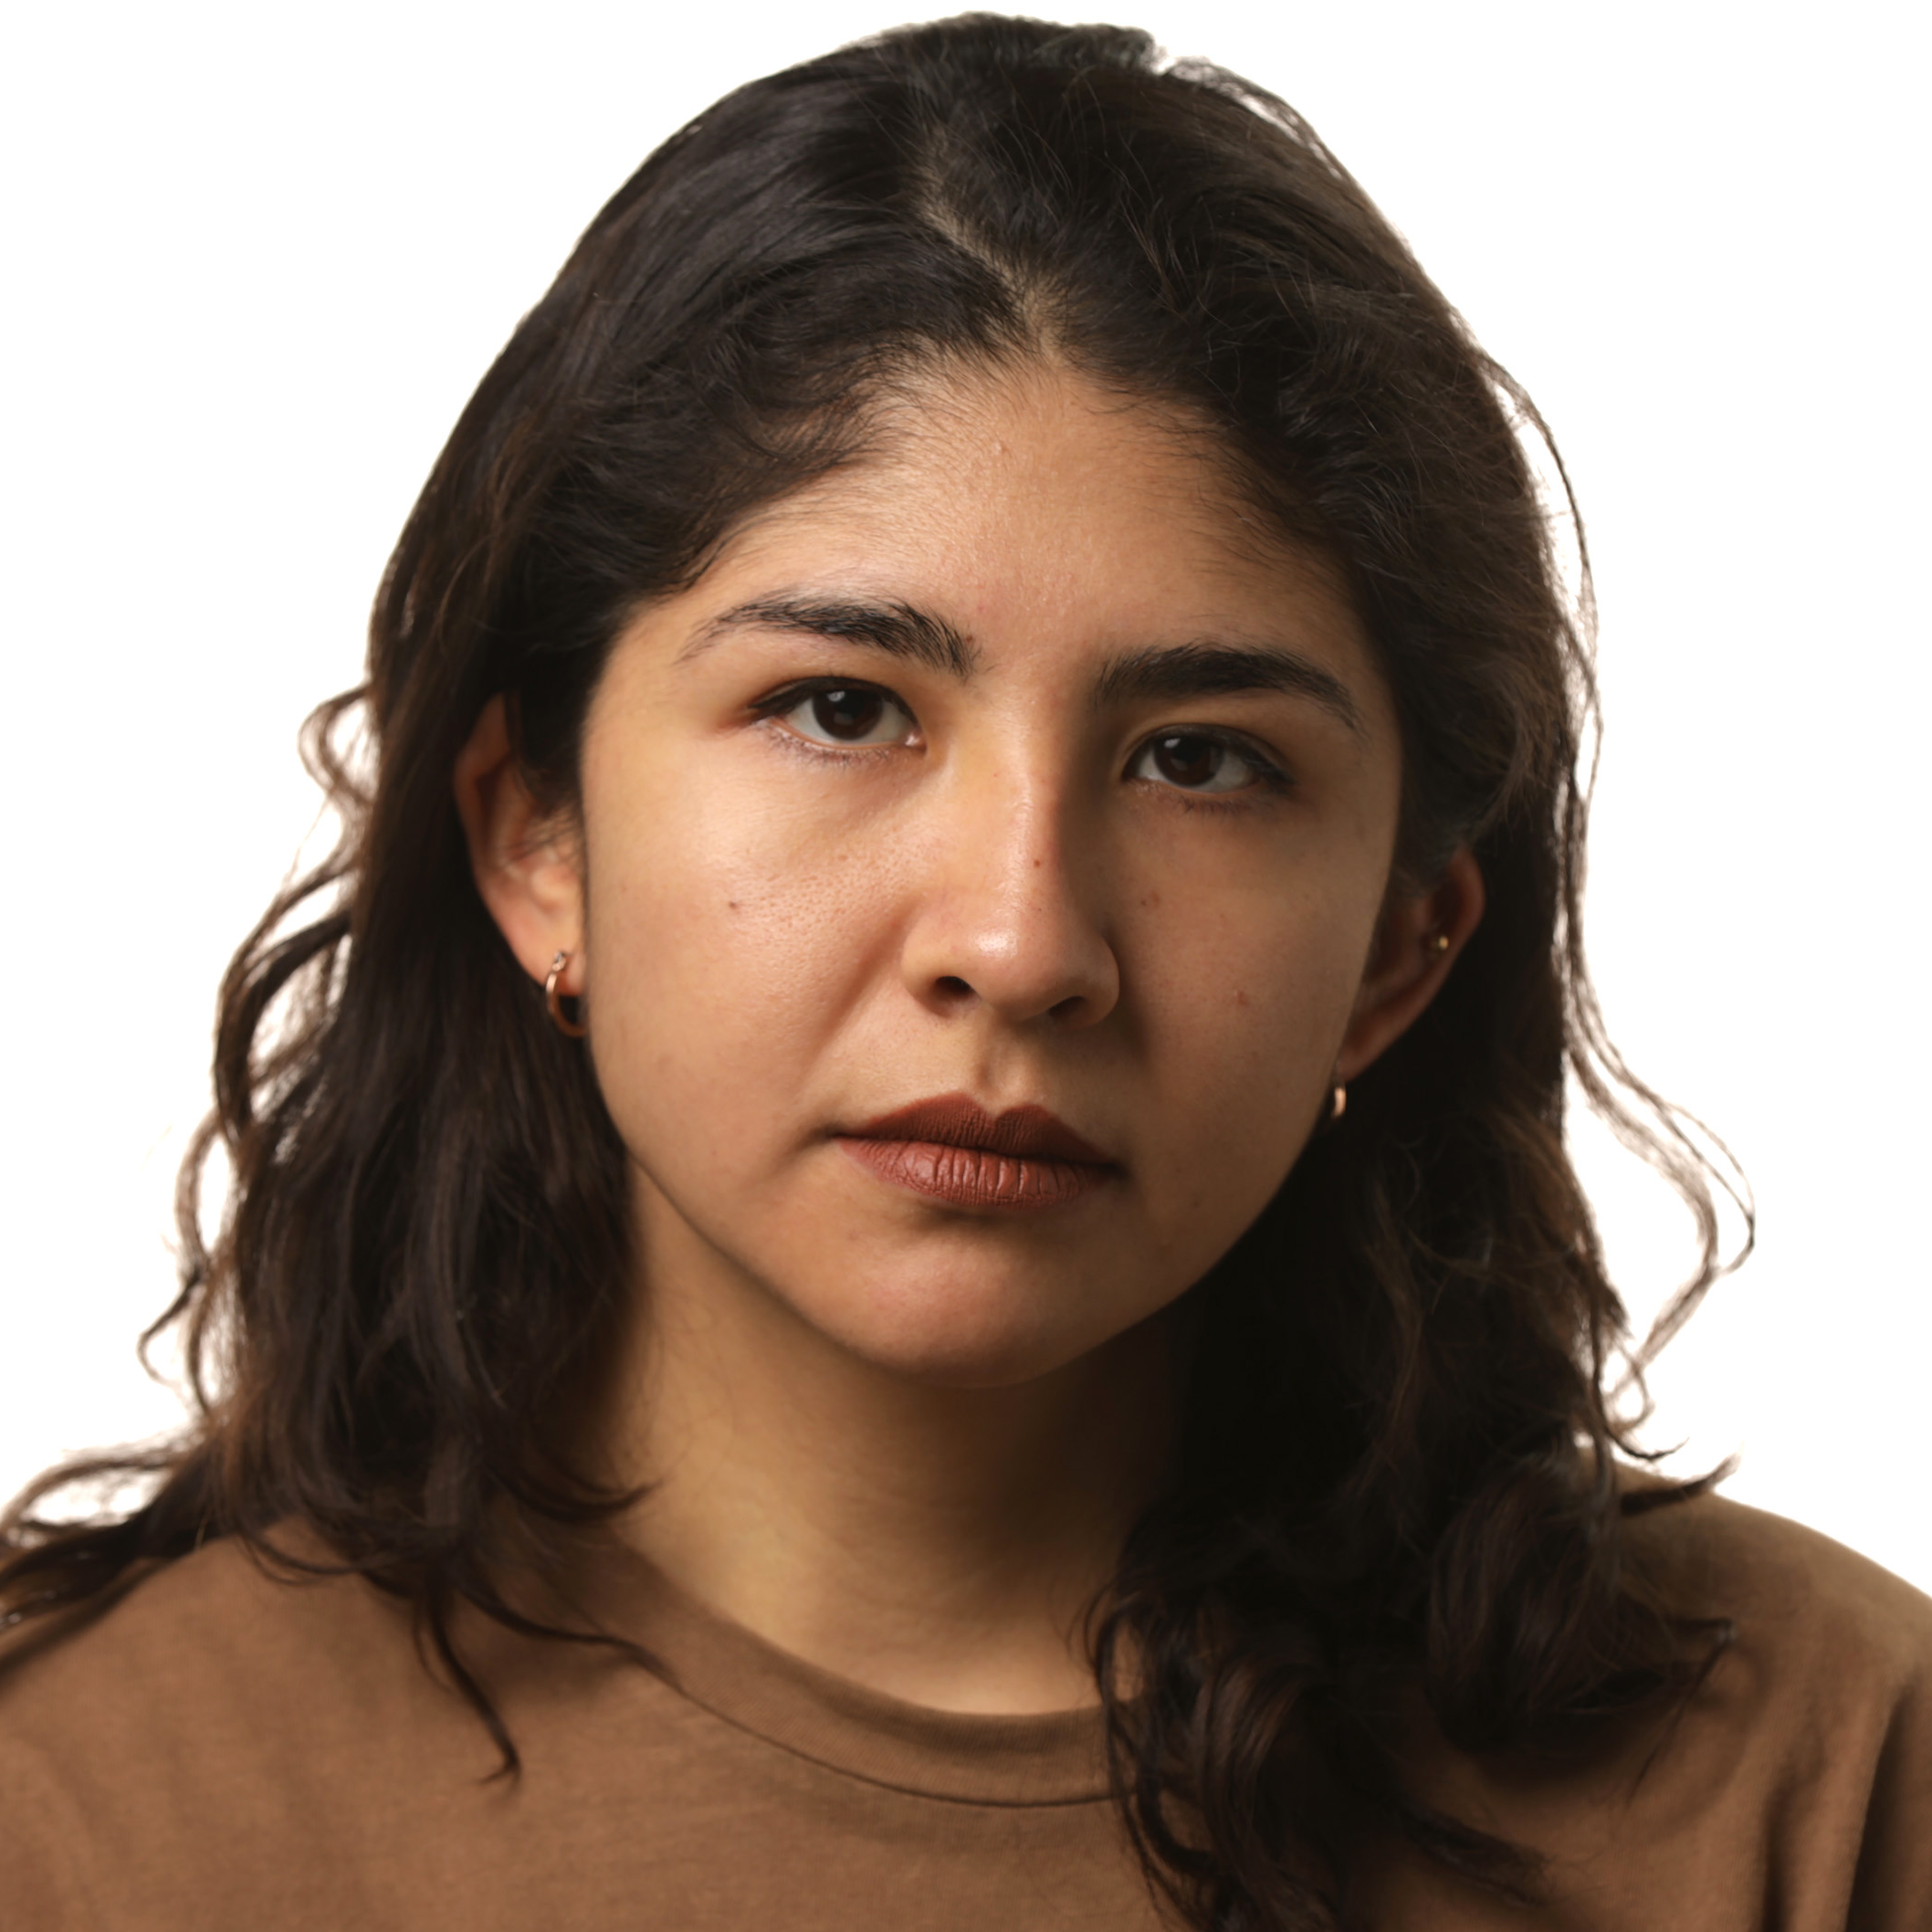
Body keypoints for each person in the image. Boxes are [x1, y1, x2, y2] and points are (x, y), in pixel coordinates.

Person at [2, 15, 1926, 1929]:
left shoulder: (1825, 1778)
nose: (1017, 945)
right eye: (840, 708)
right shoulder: (72, 1802)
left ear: (1395, 950)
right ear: (536, 834)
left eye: (1202, 760)